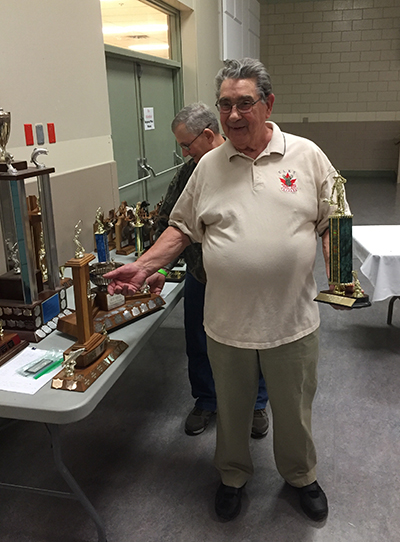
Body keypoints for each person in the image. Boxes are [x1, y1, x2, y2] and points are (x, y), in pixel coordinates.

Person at [105, 58, 342, 524]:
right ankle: (232, 476)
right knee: (232, 411)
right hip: (227, 323)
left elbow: (335, 223)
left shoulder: (308, 156)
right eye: (226, 104)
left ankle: (300, 475)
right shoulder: (209, 166)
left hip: (292, 321)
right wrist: (145, 264)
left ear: (268, 104)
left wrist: (342, 274)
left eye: (245, 103)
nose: (234, 115)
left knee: (294, 410)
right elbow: (182, 228)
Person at [147, 102, 269, 438]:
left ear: (207, 134)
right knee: (198, 341)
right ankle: (206, 400)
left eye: (186, 145)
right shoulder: (189, 173)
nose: (184, 152)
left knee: (253, 341)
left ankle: (257, 405)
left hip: (243, 279)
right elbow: (168, 221)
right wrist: (160, 264)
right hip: (201, 275)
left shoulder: (248, 166)